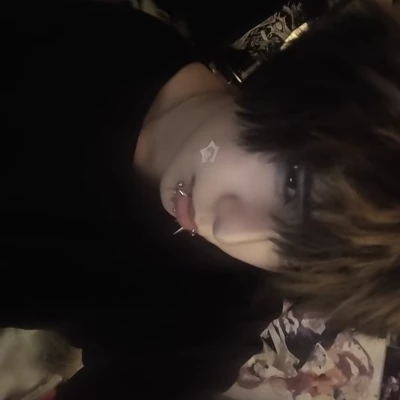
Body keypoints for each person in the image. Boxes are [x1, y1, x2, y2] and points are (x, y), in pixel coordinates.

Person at [1, 0, 400, 399]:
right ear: (302, 89)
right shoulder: (106, 43)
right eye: (292, 186)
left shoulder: (210, 327)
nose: (227, 231)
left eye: (292, 255)